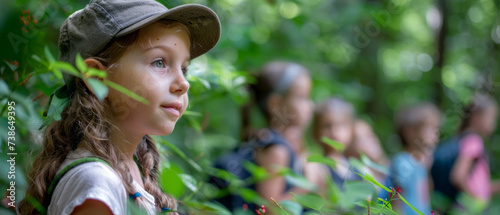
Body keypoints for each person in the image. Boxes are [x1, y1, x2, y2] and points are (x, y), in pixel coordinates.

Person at [18, 0, 220, 214]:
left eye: (184, 69)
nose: (183, 83)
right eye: (159, 62)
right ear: (97, 77)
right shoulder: (97, 183)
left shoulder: (130, 172)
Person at [211, 61, 315, 213]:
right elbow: (267, 209)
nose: (310, 106)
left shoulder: (270, 141)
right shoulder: (277, 150)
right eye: (302, 97)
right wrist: (307, 185)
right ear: (276, 104)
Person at [432, 94, 500, 207]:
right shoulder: (474, 142)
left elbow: (480, 186)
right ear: (476, 116)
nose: (493, 124)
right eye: (491, 117)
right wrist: (475, 202)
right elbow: (458, 177)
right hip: (467, 209)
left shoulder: (461, 139)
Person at [391, 102, 441, 215]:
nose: (435, 135)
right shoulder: (402, 161)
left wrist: (427, 168)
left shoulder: (421, 162)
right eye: (430, 129)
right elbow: (397, 197)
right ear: (409, 131)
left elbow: (426, 193)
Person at [312, 97, 361, 189]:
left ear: (352, 129)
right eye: (327, 126)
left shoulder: (357, 170)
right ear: (316, 131)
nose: (334, 132)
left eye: (341, 125)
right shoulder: (318, 168)